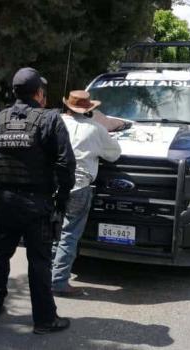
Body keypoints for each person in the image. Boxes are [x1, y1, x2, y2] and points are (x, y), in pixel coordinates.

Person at [0, 67, 76, 334]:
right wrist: (62, 200)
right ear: (39, 93)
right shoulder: (50, 119)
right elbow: (66, 164)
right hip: (37, 203)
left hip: (4, 200)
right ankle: (44, 320)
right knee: (39, 262)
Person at [51, 90, 122, 297]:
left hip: (52, 186)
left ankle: (46, 276)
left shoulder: (56, 124)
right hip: (79, 186)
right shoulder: (96, 130)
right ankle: (59, 281)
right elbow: (114, 154)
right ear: (89, 109)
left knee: (53, 231)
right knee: (69, 235)